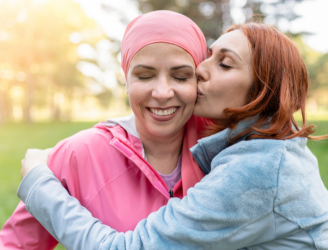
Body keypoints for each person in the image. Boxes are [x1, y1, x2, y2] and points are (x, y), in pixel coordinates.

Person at [17, 22, 328, 250]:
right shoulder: (267, 149)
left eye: (225, 65)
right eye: (210, 56)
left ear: (261, 91)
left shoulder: (259, 171)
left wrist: (38, 182)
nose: (200, 69)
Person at [0, 10, 208, 249]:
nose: (162, 92)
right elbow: (15, 244)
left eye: (180, 77)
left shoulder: (225, 153)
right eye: (145, 75)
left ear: (199, 81)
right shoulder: (78, 154)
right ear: (126, 80)